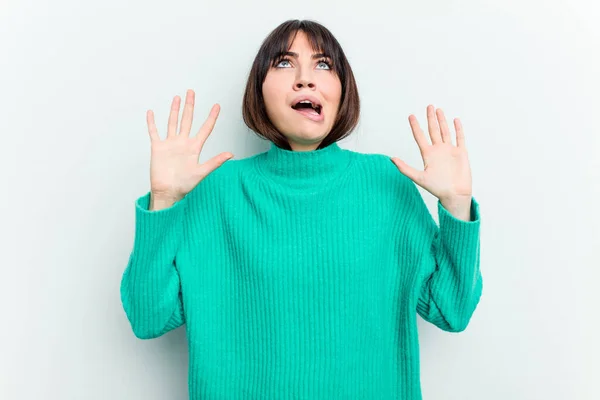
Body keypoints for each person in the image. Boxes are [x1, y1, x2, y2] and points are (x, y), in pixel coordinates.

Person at [120, 19, 482, 400]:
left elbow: (451, 311)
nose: (306, 79)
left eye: (324, 65)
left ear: (343, 91)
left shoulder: (385, 183)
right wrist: (163, 199)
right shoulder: (215, 190)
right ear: (259, 91)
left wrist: (456, 205)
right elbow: (148, 318)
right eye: (284, 63)